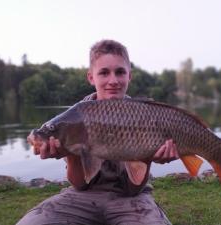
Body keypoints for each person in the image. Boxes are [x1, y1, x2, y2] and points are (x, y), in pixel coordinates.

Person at [17, 40, 179, 225]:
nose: (113, 81)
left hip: (132, 199)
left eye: (120, 72)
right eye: (104, 73)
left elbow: (133, 189)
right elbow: (80, 184)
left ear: (129, 76)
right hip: (82, 197)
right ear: (91, 77)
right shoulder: (75, 118)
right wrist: (71, 154)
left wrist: (147, 158)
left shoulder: (142, 114)